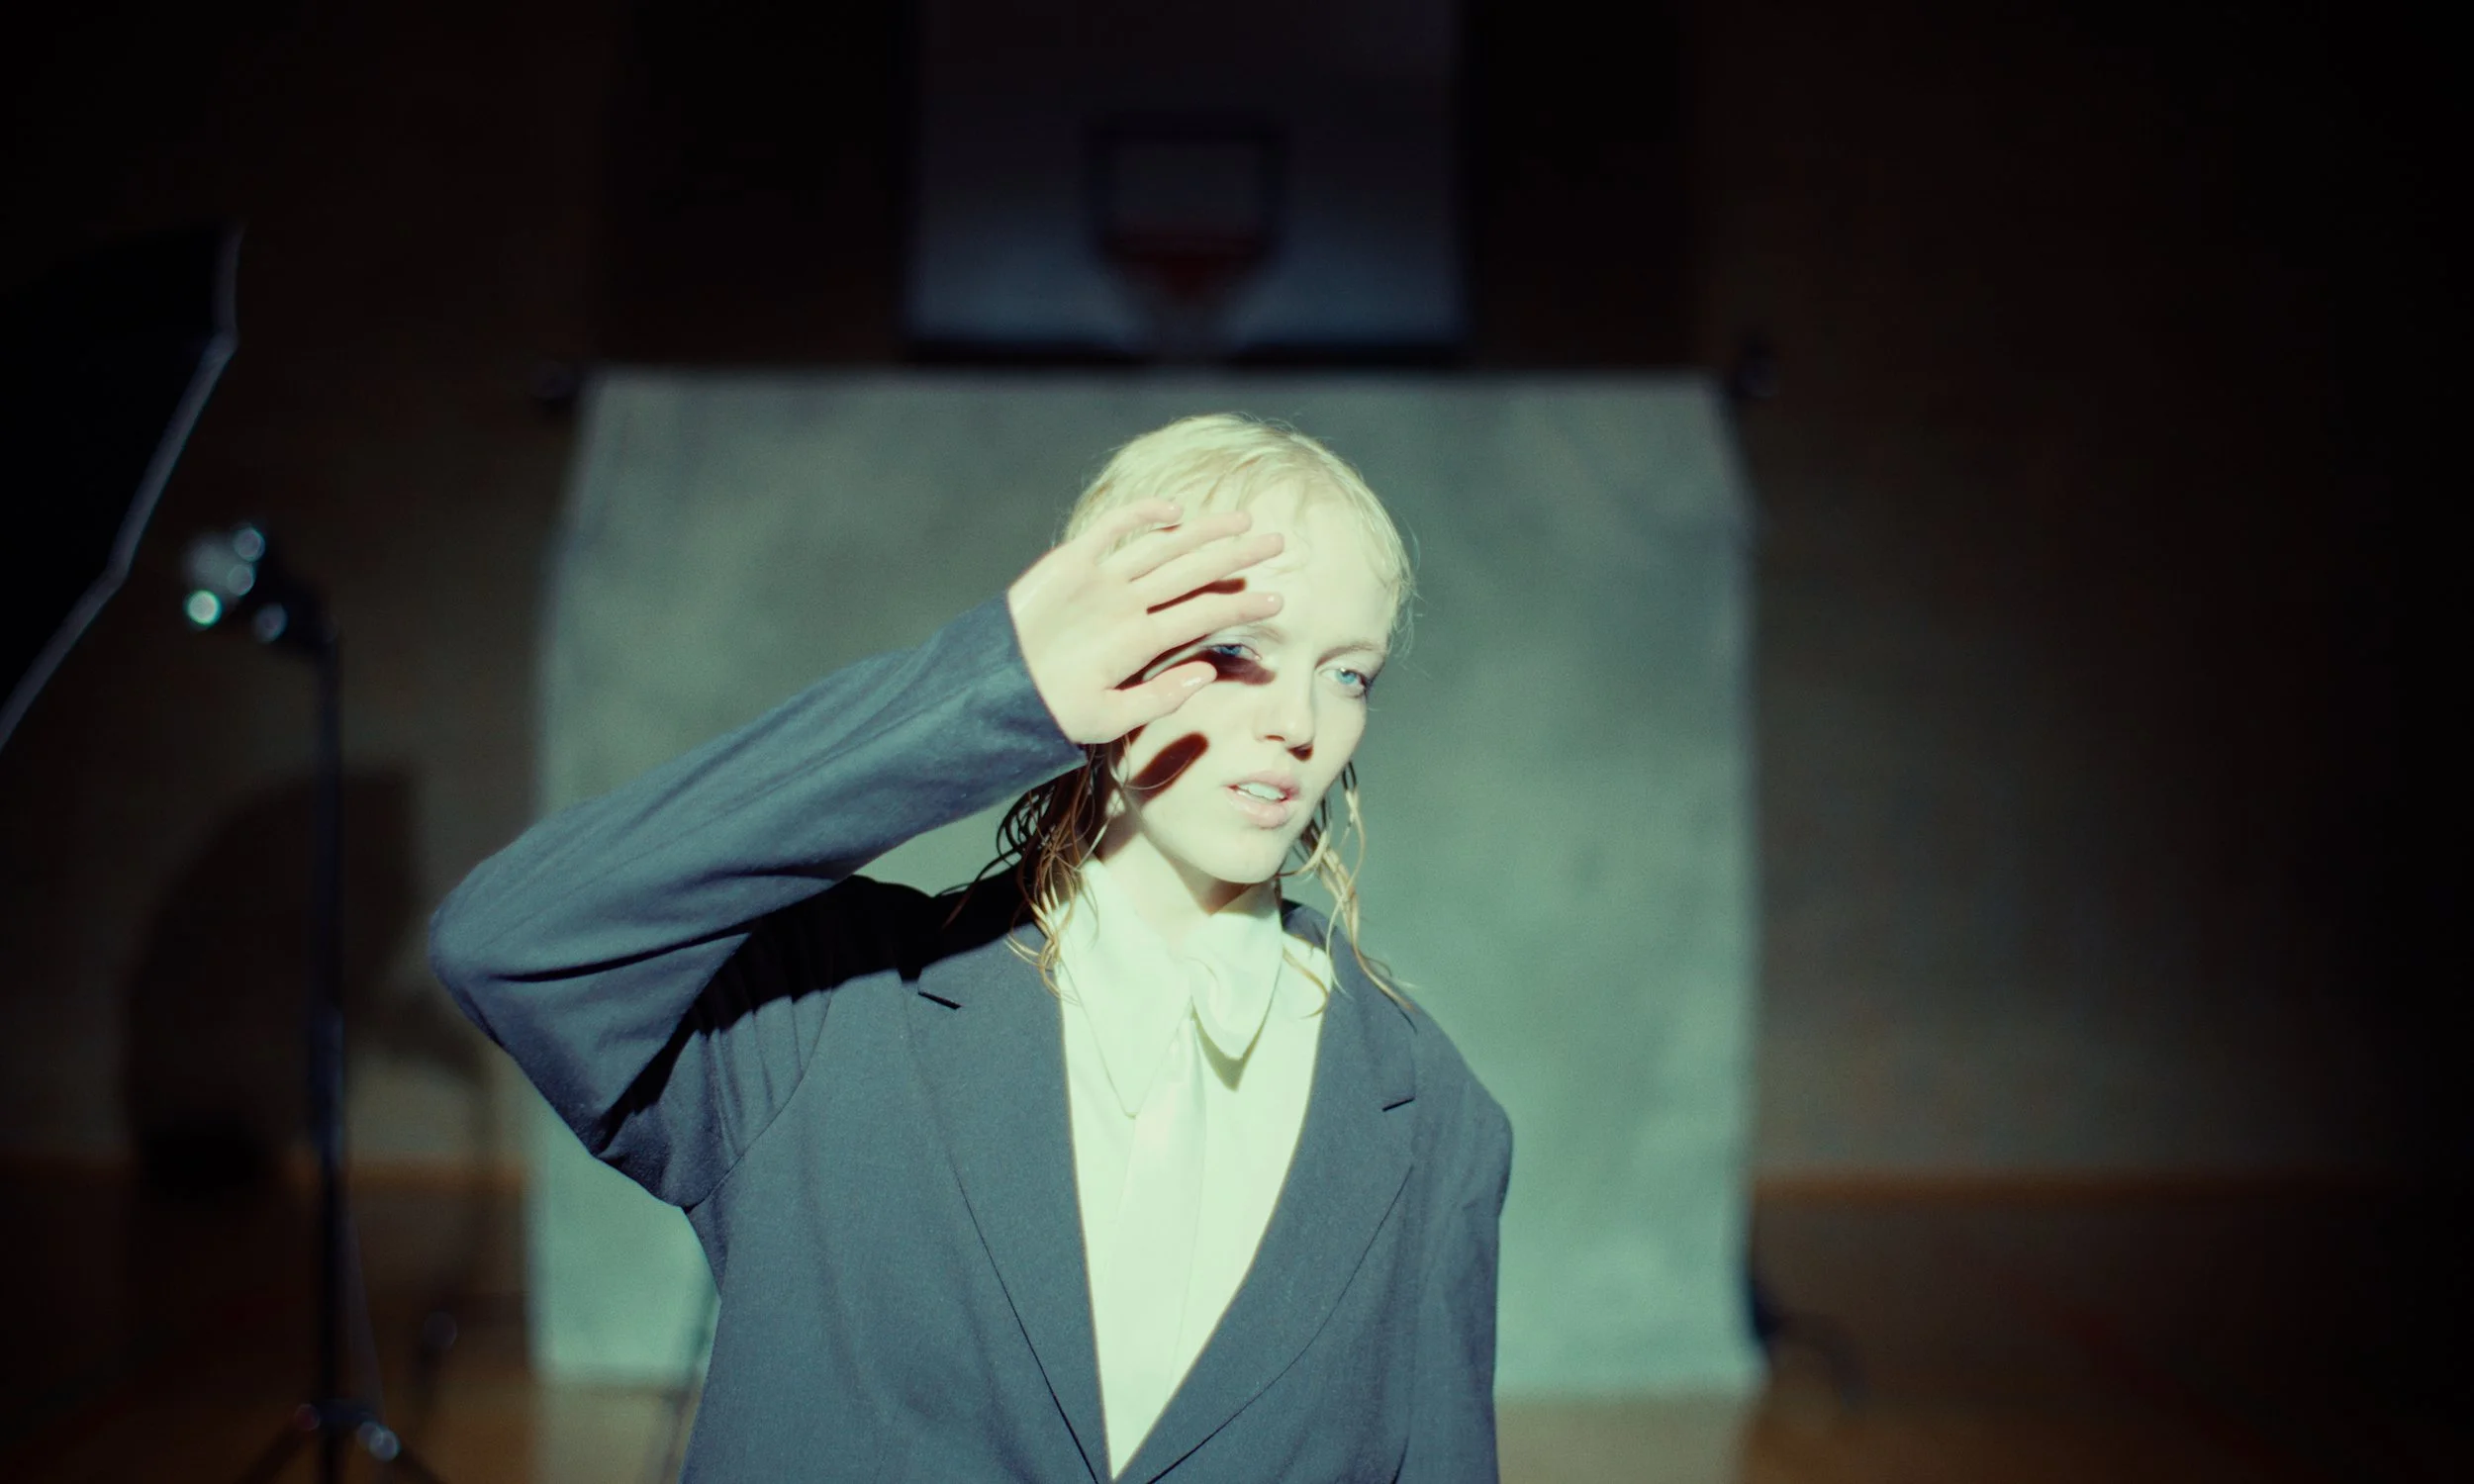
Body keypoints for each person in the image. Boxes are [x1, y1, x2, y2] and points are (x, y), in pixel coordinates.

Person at [429, 414, 1513, 1482]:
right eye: (1238, 649)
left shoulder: (1429, 1113)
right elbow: (510, 941)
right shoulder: (826, 1016)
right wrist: (993, 688)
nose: (1300, 722)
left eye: (1348, 672)